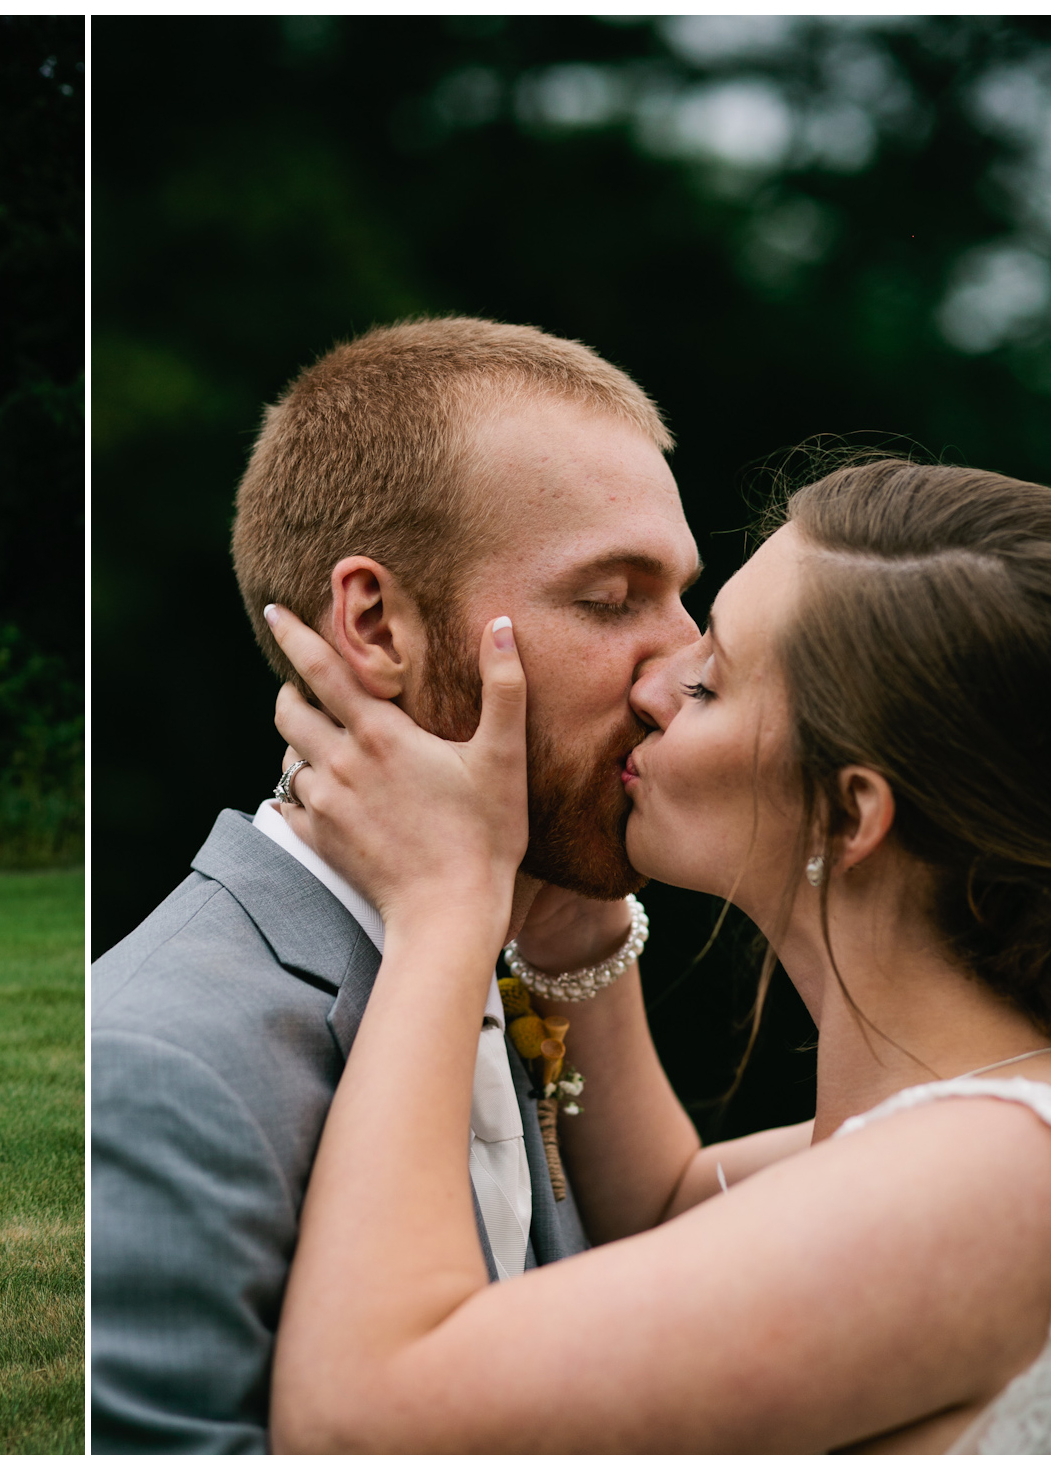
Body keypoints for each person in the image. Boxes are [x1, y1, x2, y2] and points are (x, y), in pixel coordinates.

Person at [265, 458, 1048, 1453]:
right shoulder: (977, 1132)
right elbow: (668, 1211)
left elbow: (360, 1421)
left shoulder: (993, 1180)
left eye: (709, 683)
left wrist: (443, 903)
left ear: (850, 814)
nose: (649, 686)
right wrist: (570, 919)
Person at [91, 316, 703, 1451]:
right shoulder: (155, 1073)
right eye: (613, 598)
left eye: (680, 598)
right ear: (374, 625)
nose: (683, 671)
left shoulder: (503, 950)